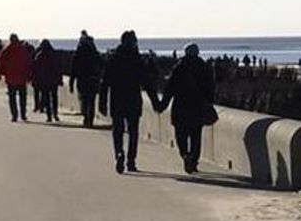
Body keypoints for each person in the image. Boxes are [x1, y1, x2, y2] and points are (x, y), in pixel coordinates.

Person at [99, 31, 162, 173]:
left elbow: (105, 82)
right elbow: (147, 82)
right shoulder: (136, 59)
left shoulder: (113, 58)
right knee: (133, 132)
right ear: (133, 42)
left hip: (117, 99)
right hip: (133, 99)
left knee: (118, 130)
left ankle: (119, 153)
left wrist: (102, 102)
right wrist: (155, 102)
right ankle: (131, 160)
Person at [159, 43, 216, 174]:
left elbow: (169, 88)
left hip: (180, 107)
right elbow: (210, 87)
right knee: (196, 136)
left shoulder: (179, 67)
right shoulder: (204, 67)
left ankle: (185, 154)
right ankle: (194, 161)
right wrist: (209, 102)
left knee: (181, 135)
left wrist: (163, 105)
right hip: (197, 107)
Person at [0, 34, 32, 122]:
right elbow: (28, 63)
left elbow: (0, 63)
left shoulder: (6, 49)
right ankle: (23, 114)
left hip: (10, 77)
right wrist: (29, 75)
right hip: (22, 77)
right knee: (23, 97)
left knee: (12, 98)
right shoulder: (23, 49)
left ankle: (14, 115)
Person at [70, 34, 104, 127]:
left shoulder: (78, 53)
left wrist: (71, 83)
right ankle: (90, 120)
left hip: (82, 80)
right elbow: (102, 64)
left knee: (84, 100)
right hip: (92, 80)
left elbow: (74, 69)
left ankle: (86, 117)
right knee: (91, 101)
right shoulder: (94, 53)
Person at [31, 39, 63, 122]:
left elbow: (35, 69)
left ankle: (49, 116)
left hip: (44, 80)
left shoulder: (39, 56)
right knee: (54, 97)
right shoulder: (54, 55)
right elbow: (58, 68)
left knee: (46, 97)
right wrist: (60, 79)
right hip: (53, 80)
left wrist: (35, 79)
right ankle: (55, 114)